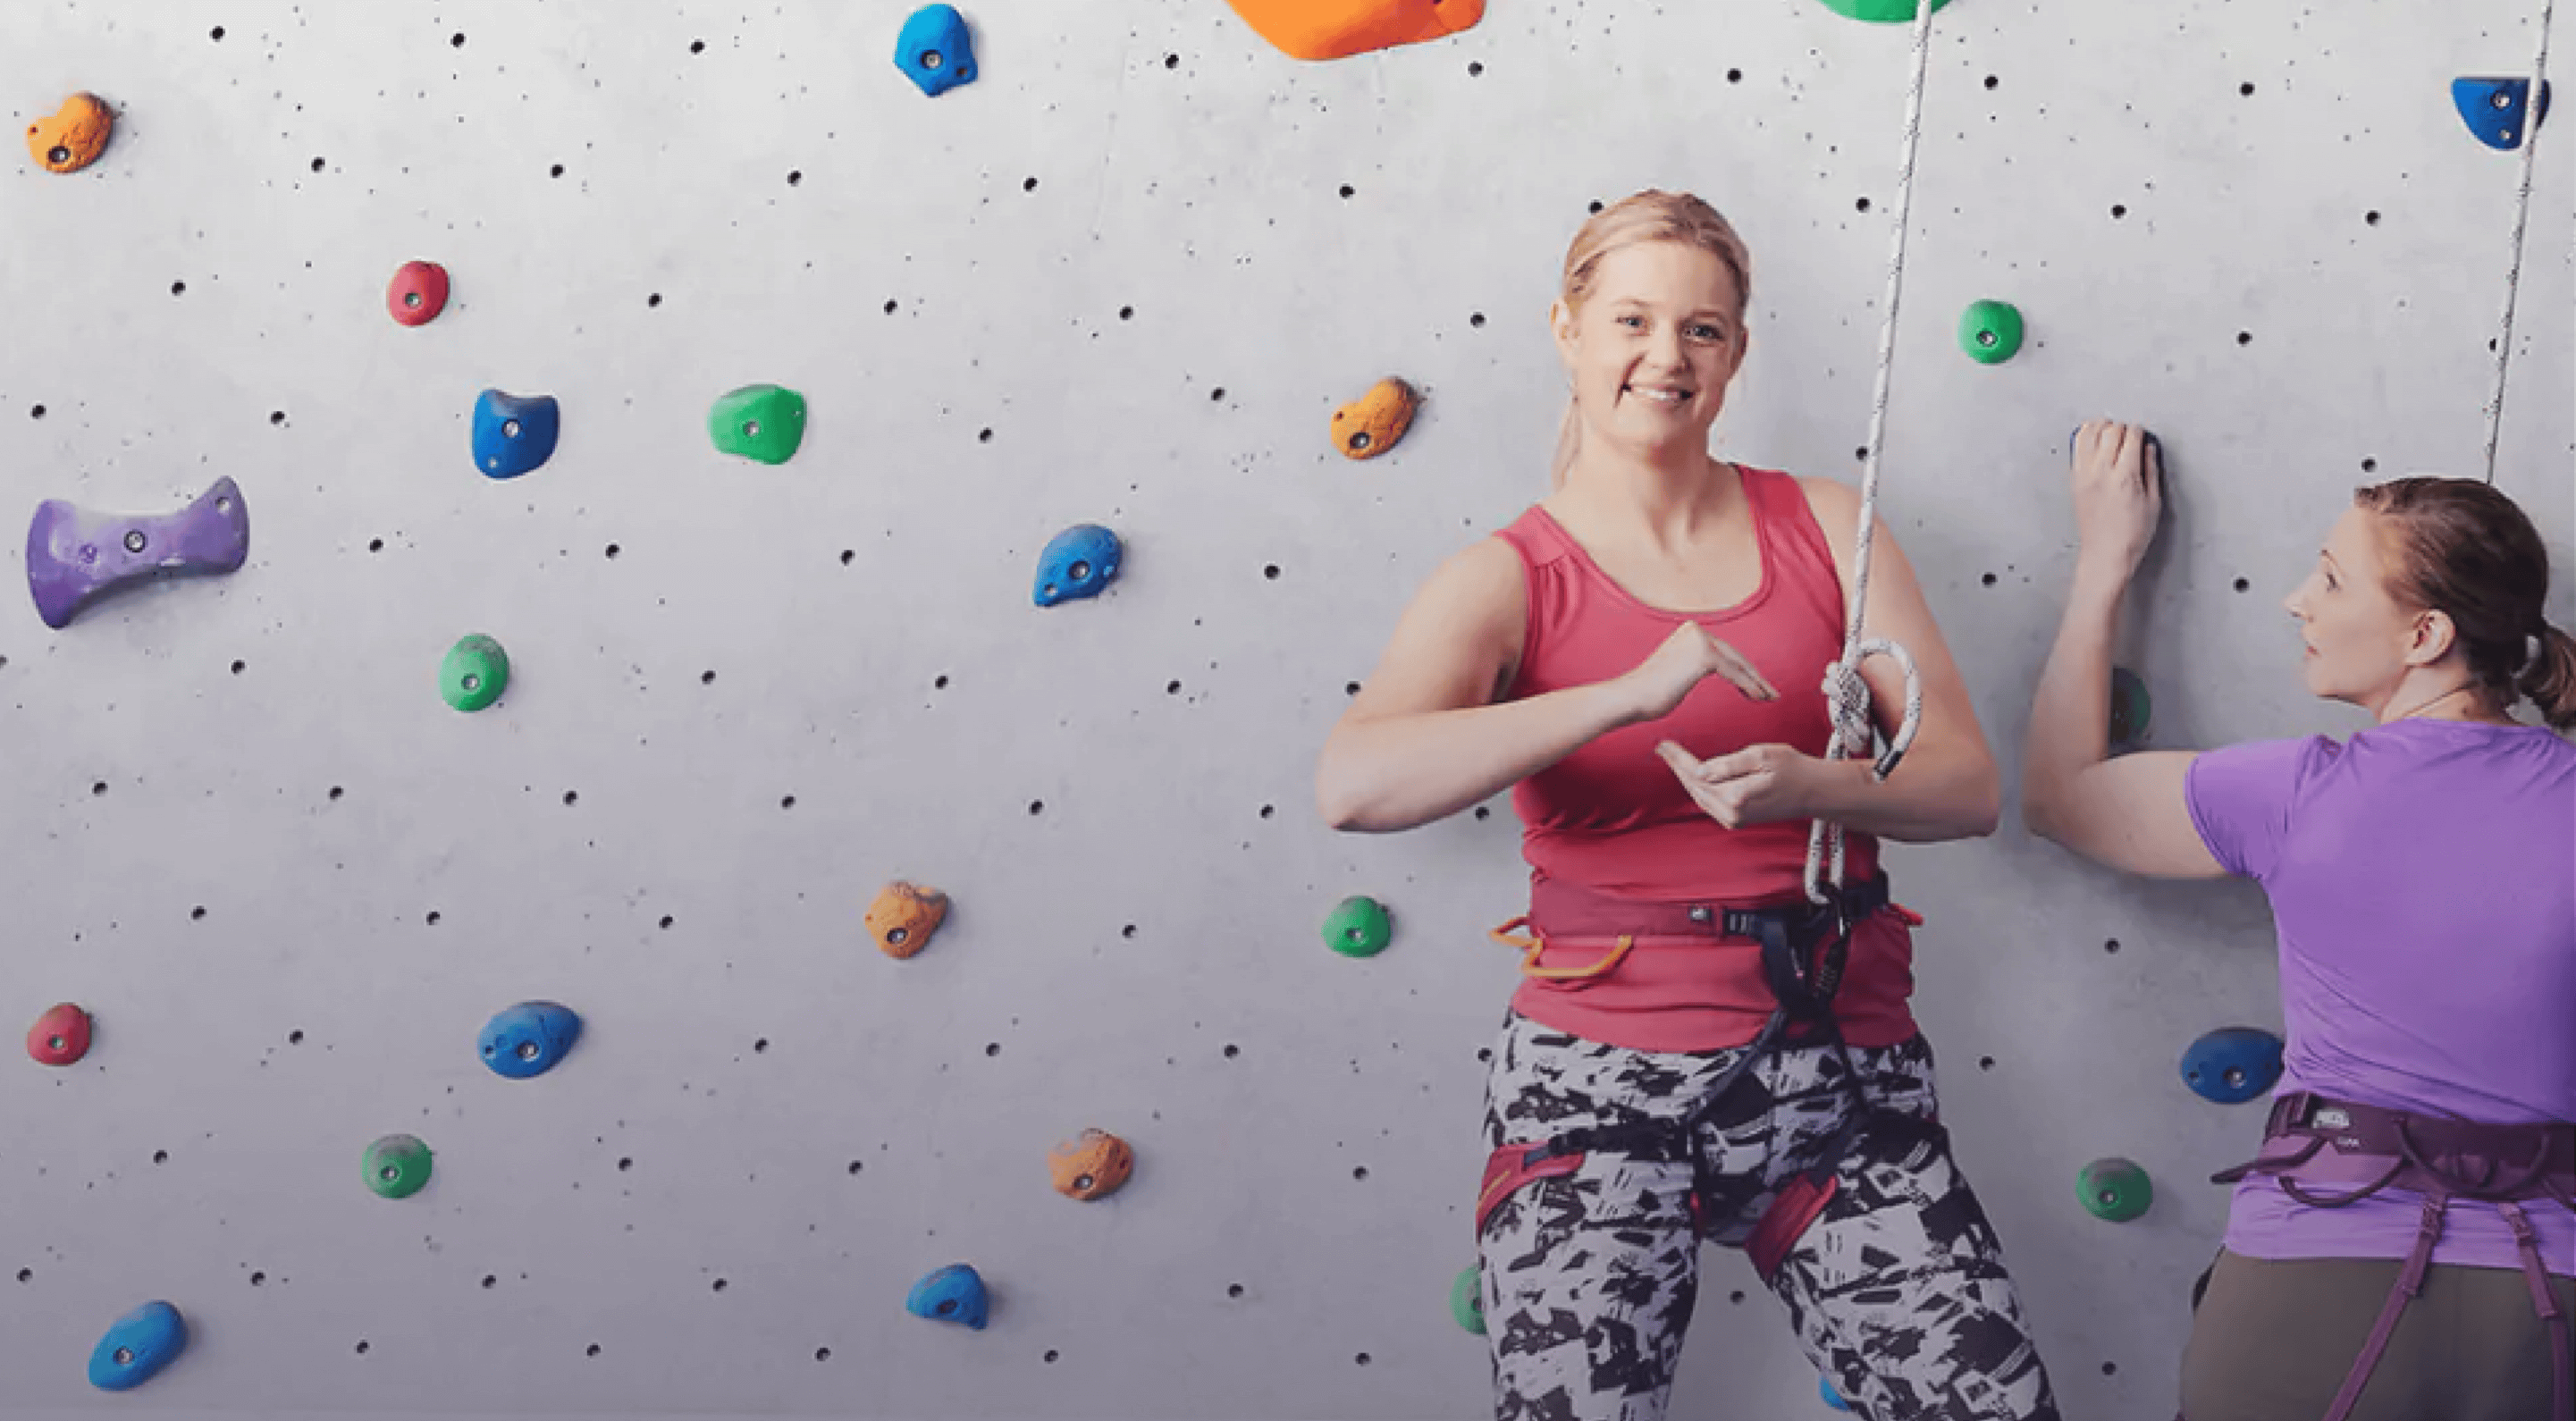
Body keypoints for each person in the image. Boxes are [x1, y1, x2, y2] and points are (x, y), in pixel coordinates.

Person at [1315, 189, 2064, 1421]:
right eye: (1631, 320)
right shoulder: (1507, 575)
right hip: (1599, 1089)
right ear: (1566, 329)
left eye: (1701, 331)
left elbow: (1965, 785)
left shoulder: (1827, 527)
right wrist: (1616, 694)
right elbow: (1354, 782)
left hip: (1840, 1070)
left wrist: (1813, 784)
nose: (1665, 357)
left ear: (1737, 351)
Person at [2021, 423, 2576, 1421]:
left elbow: (2060, 798)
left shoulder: (2296, 793)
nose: (2295, 601)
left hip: (2316, 1271)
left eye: (2328, 580)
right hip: (2546, 1301)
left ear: (2423, 637)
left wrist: (2104, 560)